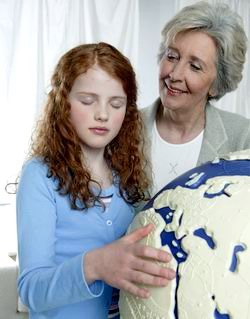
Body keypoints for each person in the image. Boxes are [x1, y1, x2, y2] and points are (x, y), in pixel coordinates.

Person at [16, 42, 175, 319]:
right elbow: (32, 290)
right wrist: (94, 265)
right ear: (62, 103)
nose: (102, 114)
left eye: (116, 104)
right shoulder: (40, 175)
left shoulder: (129, 175)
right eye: (87, 101)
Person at [142, 1, 250, 195]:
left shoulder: (243, 138)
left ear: (217, 85)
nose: (175, 75)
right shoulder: (122, 127)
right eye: (172, 56)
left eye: (195, 66)